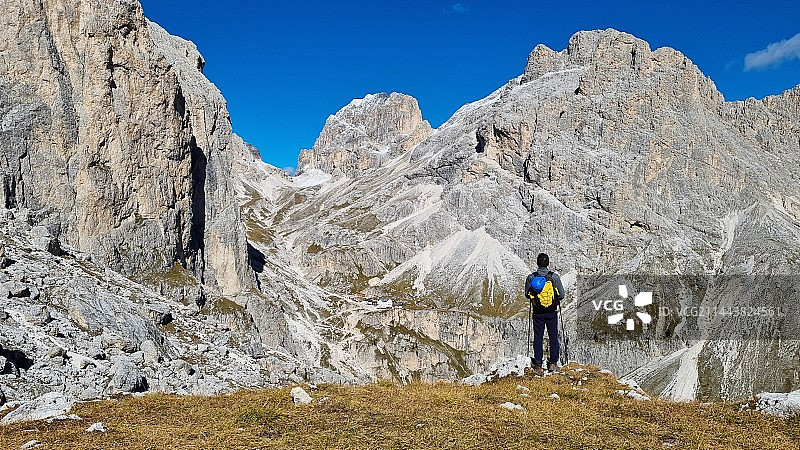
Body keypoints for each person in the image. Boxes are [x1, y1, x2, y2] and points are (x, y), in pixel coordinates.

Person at [525, 252, 565, 374]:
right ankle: (552, 363)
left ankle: (538, 363)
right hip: (551, 312)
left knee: (538, 336)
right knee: (553, 337)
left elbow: (527, 294)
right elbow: (562, 295)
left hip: (538, 312)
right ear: (548, 263)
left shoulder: (531, 277)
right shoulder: (554, 277)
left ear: (537, 263)